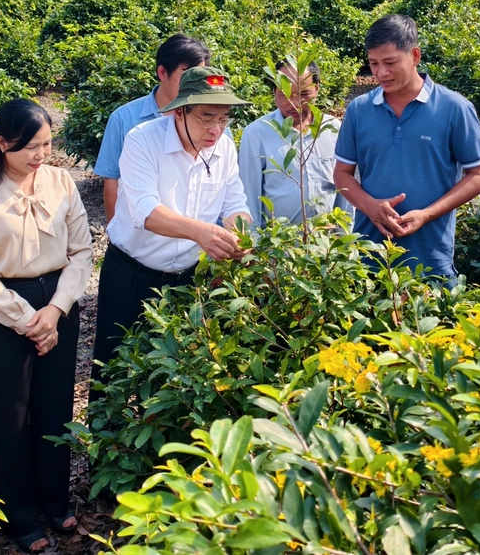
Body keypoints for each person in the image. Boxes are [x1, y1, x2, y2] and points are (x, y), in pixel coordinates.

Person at [0, 99, 92, 552]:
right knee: (8, 414)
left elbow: (81, 252)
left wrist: (54, 311)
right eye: (30, 147)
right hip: (1, 312)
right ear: (1, 144)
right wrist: (26, 319)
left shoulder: (60, 182)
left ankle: (55, 501)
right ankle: (20, 514)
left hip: (57, 303)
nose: (40, 155)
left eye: (47, 144)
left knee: (54, 407)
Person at [91, 66, 252, 400]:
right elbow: (146, 211)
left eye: (224, 119)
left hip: (187, 280)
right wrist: (204, 234)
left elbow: (234, 200)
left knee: (176, 375)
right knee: (114, 371)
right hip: (132, 274)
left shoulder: (223, 148)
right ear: (179, 112)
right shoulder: (142, 140)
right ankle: (106, 446)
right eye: (207, 117)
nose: (216, 130)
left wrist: (239, 236)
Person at [334, 15, 480, 280]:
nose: (381, 73)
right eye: (373, 64)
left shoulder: (454, 108)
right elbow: (342, 174)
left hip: (430, 259)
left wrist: (427, 214)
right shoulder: (359, 110)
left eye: (390, 62)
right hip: (370, 258)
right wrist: (370, 207)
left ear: (415, 55)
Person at [94, 34, 211, 223]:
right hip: (142, 239)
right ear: (163, 72)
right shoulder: (125, 118)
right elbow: (113, 182)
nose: (194, 85)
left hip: (196, 243)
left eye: (200, 76)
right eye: (187, 74)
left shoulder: (213, 123)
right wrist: (116, 236)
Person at [239, 60, 352, 225]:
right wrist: (254, 243)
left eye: (304, 94)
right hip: (277, 245)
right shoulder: (256, 133)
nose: (295, 104)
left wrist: (344, 238)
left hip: (326, 244)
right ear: (274, 91)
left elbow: (344, 189)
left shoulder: (332, 129)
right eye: (284, 95)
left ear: (317, 89)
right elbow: (249, 194)